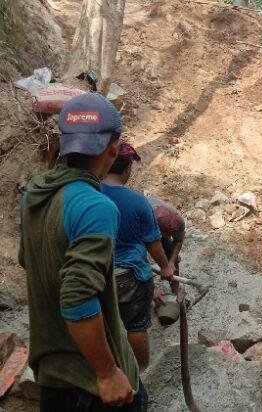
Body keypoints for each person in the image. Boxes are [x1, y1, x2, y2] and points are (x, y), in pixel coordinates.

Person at [18, 93, 146, 410]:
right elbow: (77, 296)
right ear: (114, 148)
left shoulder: (35, 194)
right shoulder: (95, 206)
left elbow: (28, 260)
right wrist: (107, 373)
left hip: (52, 376)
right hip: (92, 386)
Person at [102, 143, 175, 369]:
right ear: (127, 168)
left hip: (97, 271)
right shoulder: (137, 201)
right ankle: (141, 371)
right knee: (135, 325)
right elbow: (153, 242)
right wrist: (165, 267)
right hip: (129, 275)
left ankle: (110, 367)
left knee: (104, 322)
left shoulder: (90, 193)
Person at [147, 194, 186, 323]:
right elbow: (139, 260)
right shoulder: (146, 219)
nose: (169, 237)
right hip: (143, 228)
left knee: (173, 259)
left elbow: (178, 240)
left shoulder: (179, 221)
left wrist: (171, 262)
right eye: (166, 234)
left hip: (158, 226)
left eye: (170, 234)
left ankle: (174, 294)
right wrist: (151, 288)